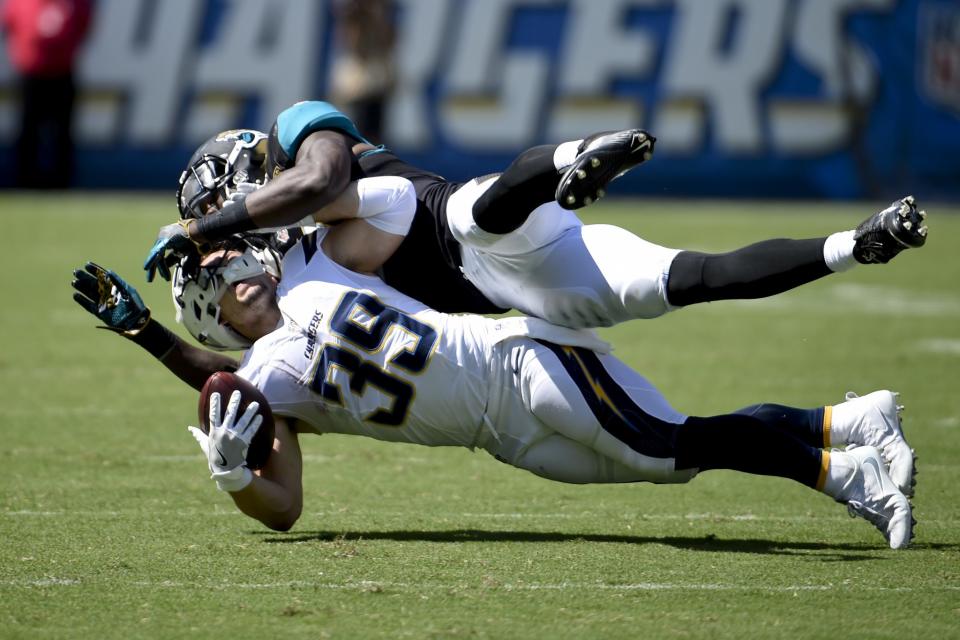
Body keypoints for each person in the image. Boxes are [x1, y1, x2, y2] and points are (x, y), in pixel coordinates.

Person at [75, 185, 915, 549]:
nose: (237, 262)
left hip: (520, 360)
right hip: (501, 435)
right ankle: (847, 424)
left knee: (664, 442)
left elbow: (317, 186)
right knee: (676, 458)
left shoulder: (317, 260)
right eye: (218, 268)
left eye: (227, 252)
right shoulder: (264, 378)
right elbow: (284, 503)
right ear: (211, 303)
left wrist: (207, 234)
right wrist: (233, 479)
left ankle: (846, 474)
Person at [146, 101, 929, 329]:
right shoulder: (304, 256)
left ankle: (565, 160)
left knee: (471, 214)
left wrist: (198, 231)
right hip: (527, 295)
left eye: (226, 205)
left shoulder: (307, 139)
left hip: (471, 233)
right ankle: (856, 245)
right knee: (694, 280)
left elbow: (315, 186)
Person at [1, 0, 92, 188]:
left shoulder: (75, 3)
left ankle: (62, 182)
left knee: (62, 133)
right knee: (28, 131)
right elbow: (10, 25)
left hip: (63, 73)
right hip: (31, 73)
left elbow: (84, 25)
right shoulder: (22, 3)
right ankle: (23, 180)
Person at [328, 0, 396, 145]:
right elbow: (355, 45)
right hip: (357, 86)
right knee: (355, 134)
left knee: (374, 137)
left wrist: (376, 16)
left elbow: (388, 42)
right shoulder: (353, 20)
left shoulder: (381, 20)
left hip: (376, 84)